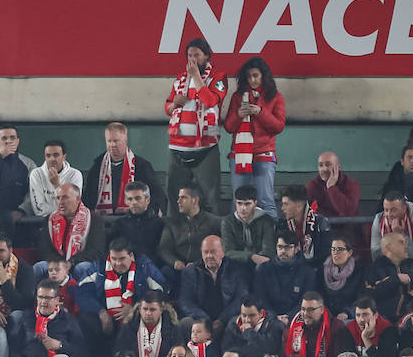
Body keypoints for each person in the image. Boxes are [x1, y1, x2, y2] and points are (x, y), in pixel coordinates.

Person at [165, 37, 228, 212]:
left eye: (197, 55)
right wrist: (174, 103)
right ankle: (173, 237)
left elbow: (210, 101)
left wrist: (196, 77)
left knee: (210, 198)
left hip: (205, 148)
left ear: (207, 56)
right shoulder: (180, 78)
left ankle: (212, 238)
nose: (193, 60)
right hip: (178, 147)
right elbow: (168, 107)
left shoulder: (218, 77)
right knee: (173, 197)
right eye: (190, 56)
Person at [223, 57, 286, 218]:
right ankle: (236, 241)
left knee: (266, 201)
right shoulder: (238, 97)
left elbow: (279, 126)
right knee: (238, 202)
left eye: (256, 75)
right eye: (249, 76)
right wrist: (238, 115)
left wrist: (261, 113)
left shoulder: (275, 97)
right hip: (239, 155)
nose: (252, 80)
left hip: (264, 155)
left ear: (264, 76)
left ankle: (271, 242)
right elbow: (229, 127)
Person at [83, 123, 166, 222]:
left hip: (134, 218)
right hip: (102, 219)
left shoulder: (141, 166)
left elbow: (157, 194)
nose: (112, 145)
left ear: (125, 141)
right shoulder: (97, 166)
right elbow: (88, 196)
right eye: (109, 141)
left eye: (116, 141)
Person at [306, 152, 360, 218]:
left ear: (338, 167)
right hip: (321, 227)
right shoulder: (312, 186)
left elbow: (348, 213)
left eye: (328, 165)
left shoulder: (351, 185)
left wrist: (331, 188)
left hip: (346, 227)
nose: (324, 169)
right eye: (321, 165)